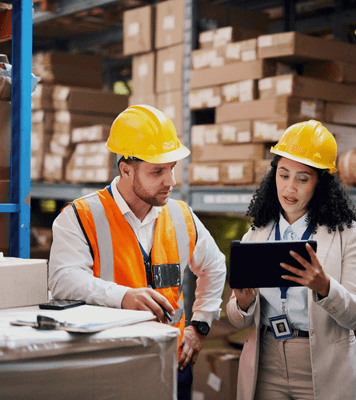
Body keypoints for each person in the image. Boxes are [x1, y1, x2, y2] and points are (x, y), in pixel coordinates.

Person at [48, 105, 227, 400]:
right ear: (126, 169)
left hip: (172, 362)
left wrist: (200, 326)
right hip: (109, 366)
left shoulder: (182, 216)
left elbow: (215, 266)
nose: (170, 181)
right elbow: (63, 279)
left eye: (171, 168)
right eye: (157, 171)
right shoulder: (80, 215)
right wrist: (123, 296)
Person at [226, 120, 356, 400]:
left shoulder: (349, 235)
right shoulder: (257, 234)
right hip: (266, 363)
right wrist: (243, 304)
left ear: (321, 183)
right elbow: (236, 317)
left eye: (302, 179)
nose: (289, 188)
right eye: (283, 175)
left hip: (323, 363)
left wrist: (325, 287)